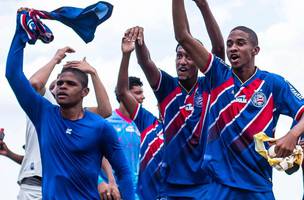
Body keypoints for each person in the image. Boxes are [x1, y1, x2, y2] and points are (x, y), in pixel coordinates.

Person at [172, 0, 304, 199]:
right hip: (219, 187)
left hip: (258, 186)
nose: (233, 48)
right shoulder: (218, 75)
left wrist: (293, 134)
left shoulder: (272, 84)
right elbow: (183, 35)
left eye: (240, 43)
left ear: (255, 50)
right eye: (229, 44)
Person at [5, 12, 134, 200]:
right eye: (60, 83)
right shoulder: (44, 114)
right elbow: (13, 75)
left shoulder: (100, 127)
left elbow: (124, 172)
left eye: (71, 84)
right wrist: (20, 34)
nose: (62, 86)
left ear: (85, 92)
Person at [124, 0, 224, 198]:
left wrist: (203, 6)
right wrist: (140, 43)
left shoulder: (211, 85)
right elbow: (145, 62)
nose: (183, 62)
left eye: (189, 56)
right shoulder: (167, 88)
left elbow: (219, 48)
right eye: (179, 56)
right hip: (172, 186)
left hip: (207, 184)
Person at [115, 30, 165, 199]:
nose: (143, 97)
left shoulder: (186, 127)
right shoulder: (149, 123)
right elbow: (122, 91)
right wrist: (126, 55)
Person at [98, 76, 144, 200]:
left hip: (138, 193)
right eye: (138, 93)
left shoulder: (143, 124)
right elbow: (94, 156)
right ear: (125, 95)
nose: (142, 97)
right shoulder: (107, 123)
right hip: (113, 192)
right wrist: (102, 182)